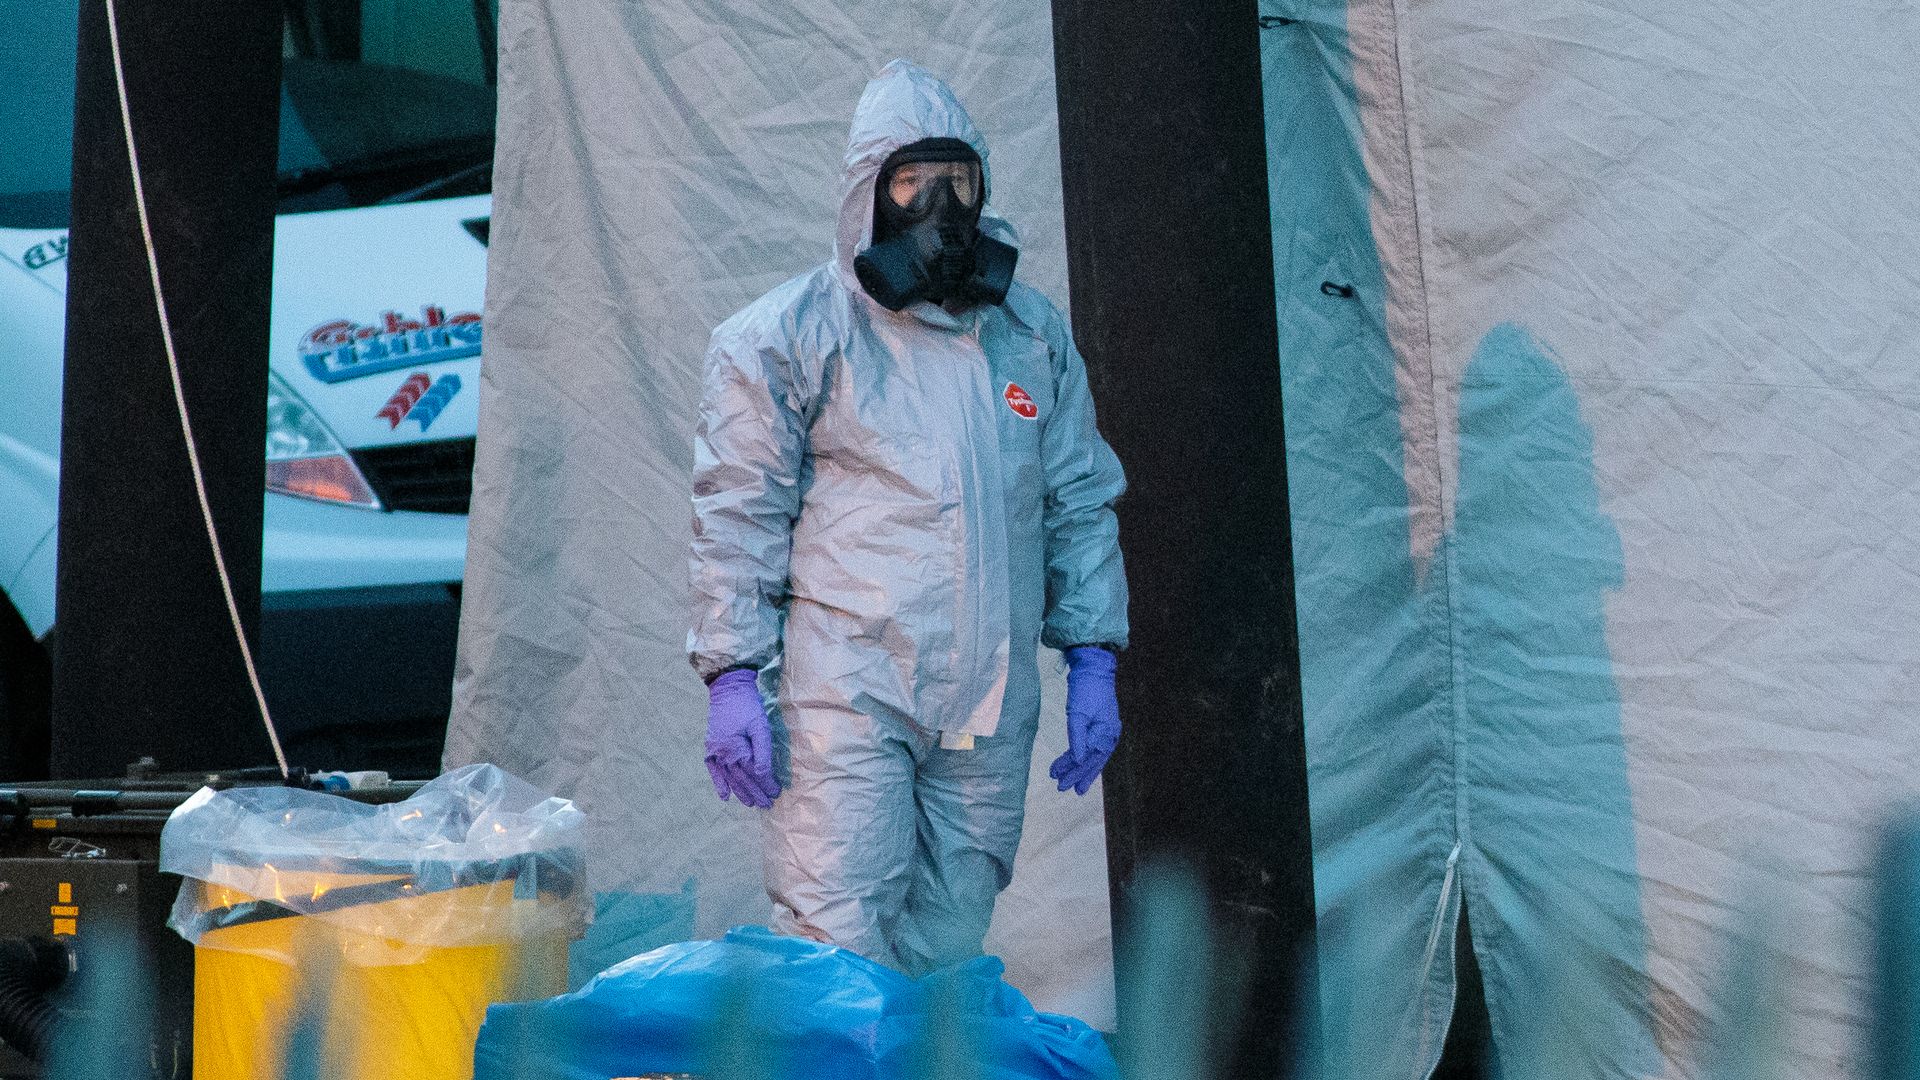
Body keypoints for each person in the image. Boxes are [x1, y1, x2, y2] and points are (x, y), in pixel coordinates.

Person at [686, 59, 1129, 976]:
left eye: (958, 181)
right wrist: (732, 673)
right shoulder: (789, 337)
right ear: (868, 194)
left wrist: (1093, 656)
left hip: (989, 702)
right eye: (912, 182)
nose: (940, 207)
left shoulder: (1029, 335)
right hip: (850, 695)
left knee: (948, 952)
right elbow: (739, 511)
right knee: (836, 943)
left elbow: (1078, 501)